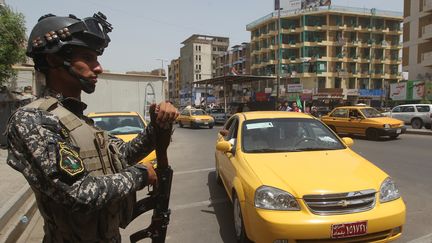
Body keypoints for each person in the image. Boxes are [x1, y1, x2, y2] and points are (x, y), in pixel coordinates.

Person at [5, 13, 179, 242]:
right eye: (87, 58)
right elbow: (78, 192)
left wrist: (156, 127)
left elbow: (124, 155)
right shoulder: (32, 119)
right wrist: (140, 175)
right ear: (53, 60)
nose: (98, 68)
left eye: (96, 58)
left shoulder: (80, 122)